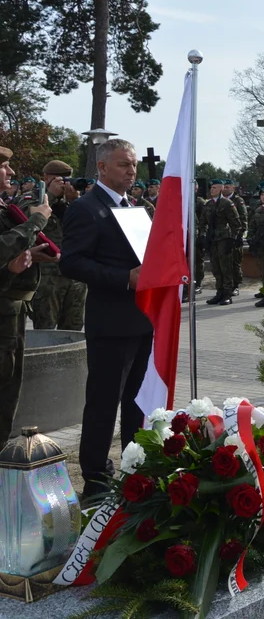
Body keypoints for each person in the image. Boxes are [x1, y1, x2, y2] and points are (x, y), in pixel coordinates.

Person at [59, 139, 151, 498]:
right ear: (101, 167)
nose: (131, 172)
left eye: (134, 166)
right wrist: (124, 278)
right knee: (103, 403)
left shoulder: (137, 208)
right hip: (111, 323)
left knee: (138, 403)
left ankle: (136, 468)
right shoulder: (86, 208)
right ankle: (96, 479)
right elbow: (72, 262)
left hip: (143, 320)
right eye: (124, 165)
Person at [0, 147, 56, 442]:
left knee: (8, 397)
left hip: (12, 313)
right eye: (5, 166)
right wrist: (35, 222)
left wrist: (27, 256)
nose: (10, 173)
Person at [32, 160, 86, 331]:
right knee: (45, 329)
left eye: (67, 179)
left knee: (73, 329)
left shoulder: (76, 203)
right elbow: (29, 223)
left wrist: (75, 202)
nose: (64, 183)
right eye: (58, 179)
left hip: (76, 275)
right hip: (49, 276)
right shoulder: (35, 200)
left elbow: (87, 229)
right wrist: (51, 195)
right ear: (46, 178)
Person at [201, 178, 241, 306]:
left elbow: (236, 224)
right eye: (211, 188)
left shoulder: (227, 203)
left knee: (226, 267)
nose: (212, 190)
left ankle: (227, 294)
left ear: (221, 189)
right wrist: (202, 236)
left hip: (224, 239)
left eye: (215, 188)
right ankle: (219, 292)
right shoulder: (208, 205)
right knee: (216, 268)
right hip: (212, 240)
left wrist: (233, 240)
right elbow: (202, 222)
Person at [221, 179, 247, 296]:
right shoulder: (220, 201)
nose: (225, 189)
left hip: (235, 236)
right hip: (223, 237)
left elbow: (243, 219)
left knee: (235, 262)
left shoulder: (238, 201)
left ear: (233, 188)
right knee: (224, 263)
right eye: (224, 187)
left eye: (227, 187)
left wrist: (239, 235)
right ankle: (225, 286)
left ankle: (236, 285)